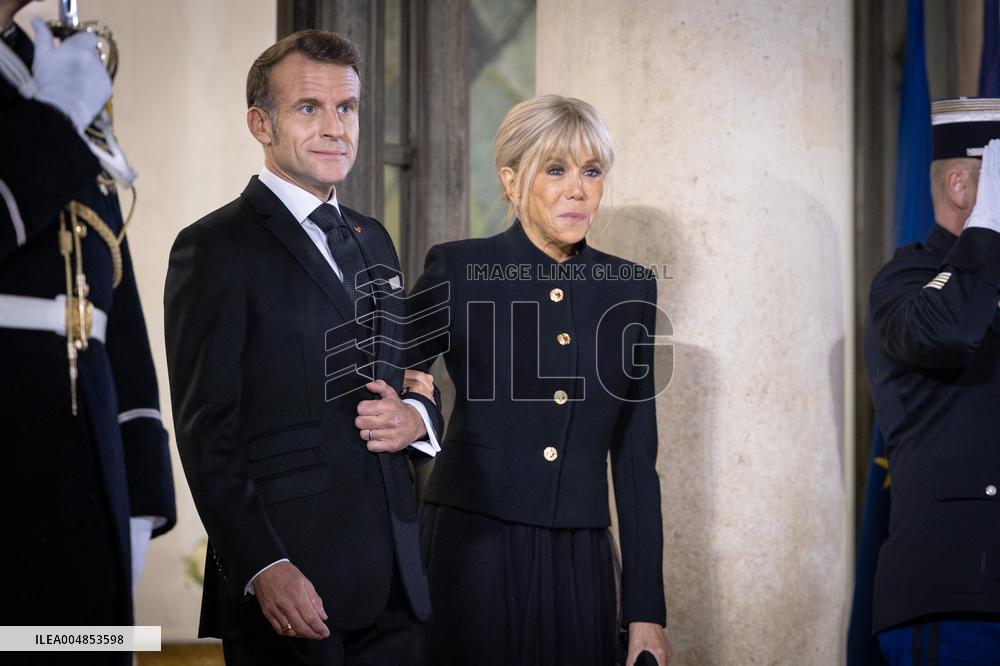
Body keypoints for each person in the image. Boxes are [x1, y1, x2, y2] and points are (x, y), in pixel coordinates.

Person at [164, 29, 443, 666]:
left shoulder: (374, 238)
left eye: (346, 108)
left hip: (398, 583)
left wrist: (416, 419)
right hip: (291, 588)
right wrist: (262, 565)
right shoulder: (214, 247)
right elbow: (207, 430)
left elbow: (407, 381)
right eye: (309, 108)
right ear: (260, 124)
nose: (335, 127)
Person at [406, 95, 672, 666]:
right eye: (556, 170)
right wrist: (415, 404)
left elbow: (634, 458)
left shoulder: (630, 289)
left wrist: (645, 610)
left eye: (591, 172)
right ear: (511, 180)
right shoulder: (459, 269)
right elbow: (384, 378)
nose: (578, 190)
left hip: (579, 557)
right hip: (470, 551)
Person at [0, 0, 176, 659]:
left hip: (86, 458)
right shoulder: (49, 95)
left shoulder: (36, 70)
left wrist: (139, 487)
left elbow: (104, 301)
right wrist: (52, 120)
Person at [865, 98, 1000, 663]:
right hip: (956, 593)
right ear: (962, 187)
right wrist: (988, 227)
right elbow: (948, 331)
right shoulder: (906, 279)